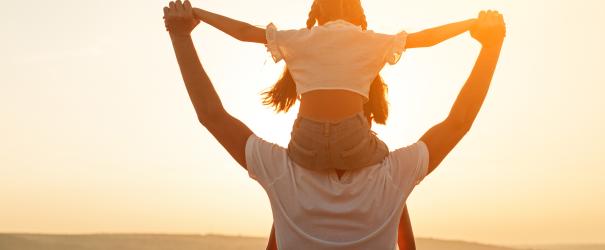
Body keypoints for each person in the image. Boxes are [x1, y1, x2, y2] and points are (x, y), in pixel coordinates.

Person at [163, 0, 505, 248]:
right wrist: (488, 43)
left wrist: (184, 30)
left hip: (303, 154)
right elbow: (459, 120)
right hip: (368, 171)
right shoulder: (392, 179)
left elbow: (212, 114)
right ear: (366, 108)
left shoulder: (283, 177)